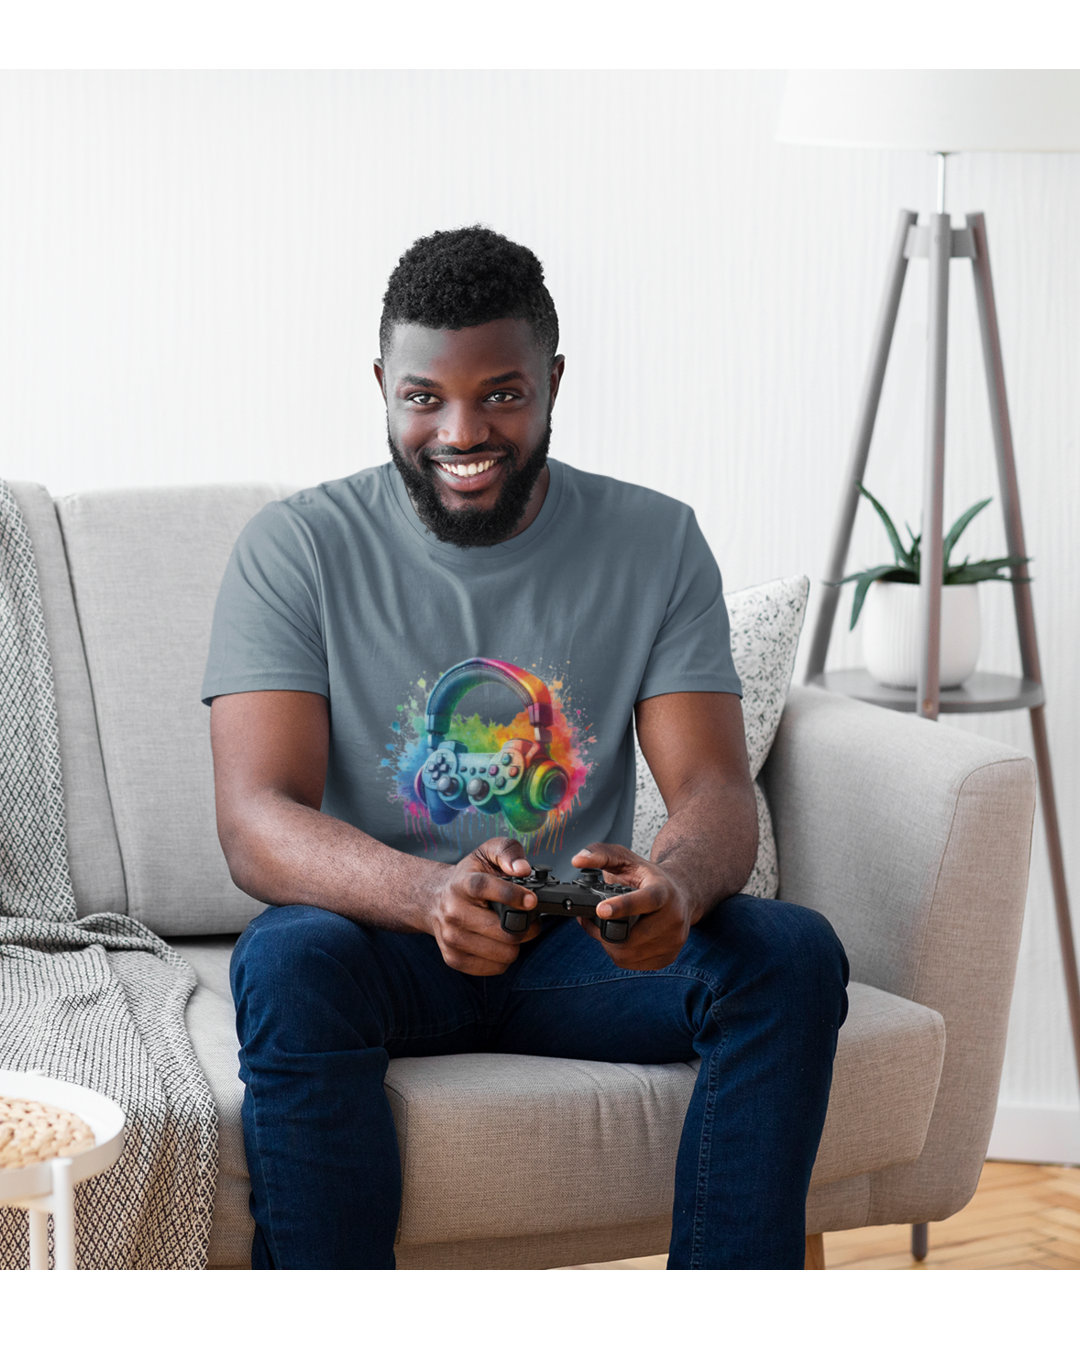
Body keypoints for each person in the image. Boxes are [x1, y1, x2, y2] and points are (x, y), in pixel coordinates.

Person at [202, 226, 849, 1270]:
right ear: (382, 384)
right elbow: (255, 820)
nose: (462, 431)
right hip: (386, 946)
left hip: (575, 947)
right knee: (286, 958)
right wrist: (426, 896)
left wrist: (674, 889)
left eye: (501, 394)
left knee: (788, 956)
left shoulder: (655, 540)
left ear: (552, 381)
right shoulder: (298, 548)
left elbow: (716, 788)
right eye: (425, 397)